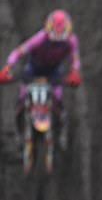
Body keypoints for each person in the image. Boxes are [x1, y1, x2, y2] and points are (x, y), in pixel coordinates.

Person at [0, 10, 82, 146]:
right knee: (22, 96)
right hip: (34, 69)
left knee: (57, 98)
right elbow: (20, 51)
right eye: (55, 34)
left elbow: (75, 58)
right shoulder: (40, 37)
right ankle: (18, 131)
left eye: (61, 34)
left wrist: (75, 72)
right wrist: (8, 67)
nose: (57, 38)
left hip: (54, 71)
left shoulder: (71, 41)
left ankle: (62, 130)